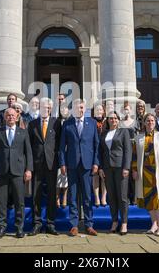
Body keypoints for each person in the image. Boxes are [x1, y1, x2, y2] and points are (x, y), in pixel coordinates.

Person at [0, 108, 33, 239]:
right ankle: (1, 228)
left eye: (13, 115)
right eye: (8, 115)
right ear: (4, 117)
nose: (10, 117)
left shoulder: (23, 132)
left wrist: (29, 169)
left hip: (18, 171)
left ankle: (19, 228)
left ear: (17, 117)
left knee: (19, 201)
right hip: (2, 171)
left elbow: (28, 153)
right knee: (1, 202)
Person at [59, 99, 100, 237]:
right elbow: (62, 147)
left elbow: (96, 146)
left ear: (85, 108)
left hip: (88, 165)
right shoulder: (67, 124)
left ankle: (89, 225)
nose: (79, 109)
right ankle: (74, 225)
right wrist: (62, 163)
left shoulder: (92, 123)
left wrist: (96, 163)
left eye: (82, 107)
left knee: (88, 196)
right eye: (77, 107)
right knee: (73, 196)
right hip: (72, 165)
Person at [132, 113, 159, 236]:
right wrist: (134, 170)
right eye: (147, 121)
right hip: (144, 173)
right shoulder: (138, 138)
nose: (150, 123)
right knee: (148, 198)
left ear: (155, 122)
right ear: (144, 123)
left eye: (152, 120)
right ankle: (154, 224)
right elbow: (134, 156)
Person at [28, 98, 61, 236]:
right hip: (37, 164)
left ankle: (50, 223)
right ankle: (37, 223)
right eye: (42, 107)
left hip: (52, 164)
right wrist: (29, 166)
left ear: (50, 108)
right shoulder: (32, 124)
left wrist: (60, 163)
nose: (45, 109)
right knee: (36, 195)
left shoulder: (57, 123)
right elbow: (28, 146)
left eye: (47, 107)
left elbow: (59, 144)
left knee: (52, 195)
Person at [99, 111, 132, 235]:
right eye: (110, 118)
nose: (113, 120)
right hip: (107, 168)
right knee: (111, 196)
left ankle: (124, 223)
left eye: (115, 118)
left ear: (118, 120)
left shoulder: (124, 132)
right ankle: (114, 221)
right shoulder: (103, 134)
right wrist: (101, 167)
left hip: (120, 168)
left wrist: (126, 168)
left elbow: (128, 151)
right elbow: (101, 152)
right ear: (107, 120)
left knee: (122, 196)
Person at [56, 99, 70, 208]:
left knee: (65, 176)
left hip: (68, 151)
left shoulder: (71, 121)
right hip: (58, 151)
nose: (63, 110)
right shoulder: (56, 121)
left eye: (65, 108)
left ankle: (64, 197)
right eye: (61, 109)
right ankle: (57, 197)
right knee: (58, 174)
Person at [93, 103, 107, 207]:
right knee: (95, 174)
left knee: (104, 175)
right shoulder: (91, 122)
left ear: (103, 111)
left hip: (105, 150)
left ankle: (104, 197)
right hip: (94, 150)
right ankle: (97, 197)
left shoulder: (107, 122)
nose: (99, 111)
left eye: (100, 110)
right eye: (97, 110)